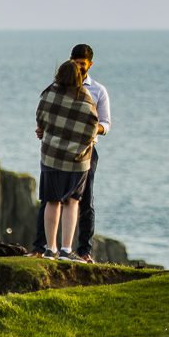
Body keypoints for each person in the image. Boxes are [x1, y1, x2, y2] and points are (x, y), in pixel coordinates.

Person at [31, 59, 100, 260]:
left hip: (52, 156)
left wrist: (46, 131)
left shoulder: (49, 94)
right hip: (78, 161)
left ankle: (50, 248)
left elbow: (40, 119)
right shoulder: (85, 98)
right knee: (72, 202)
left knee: (52, 201)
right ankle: (66, 250)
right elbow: (92, 128)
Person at [69, 43, 110, 263]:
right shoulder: (59, 86)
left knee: (86, 200)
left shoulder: (98, 91)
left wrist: (94, 128)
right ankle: (50, 248)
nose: (79, 68)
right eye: (75, 63)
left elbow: (107, 124)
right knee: (54, 199)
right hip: (61, 149)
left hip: (87, 150)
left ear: (90, 64)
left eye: (82, 64)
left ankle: (84, 251)